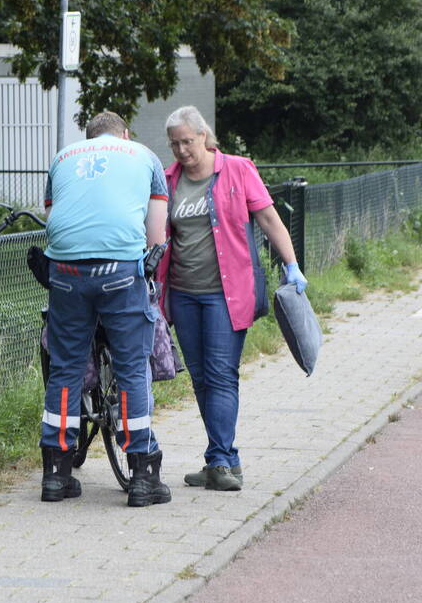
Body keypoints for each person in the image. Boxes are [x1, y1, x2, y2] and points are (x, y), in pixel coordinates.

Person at [156, 106, 307, 492]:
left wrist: (291, 264)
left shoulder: (238, 170)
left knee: (221, 374)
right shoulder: (168, 180)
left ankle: (220, 460)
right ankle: (224, 459)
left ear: (203, 136)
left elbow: (269, 219)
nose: (182, 151)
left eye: (187, 142)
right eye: (174, 144)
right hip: (183, 293)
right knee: (201, 378)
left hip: (227, 294)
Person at [40, 111, 172, 508]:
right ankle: (143, 476)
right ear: (125, 134)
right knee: (131, 368)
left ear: (89, 138)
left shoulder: (62, 158)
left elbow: (52, 220)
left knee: (65, 368)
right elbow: (156, 235)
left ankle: (56, 475)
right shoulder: (144, 156)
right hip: (119, 272)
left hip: (65, 272)